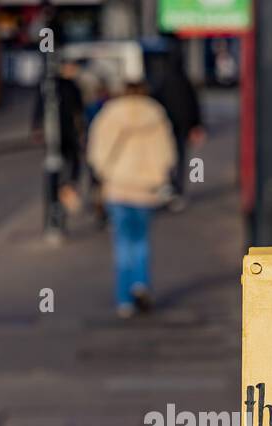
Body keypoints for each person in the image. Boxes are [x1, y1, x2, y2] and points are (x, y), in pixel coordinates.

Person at [87, 79, 176, 319]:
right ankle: (141, 283)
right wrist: (159, 177)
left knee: (122, 242)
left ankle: (124, 300)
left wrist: (103, 172)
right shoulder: (156, 115)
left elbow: (97, 152)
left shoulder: (109, 114)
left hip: (117, 187)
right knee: (141, 240)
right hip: (145, 189)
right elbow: (166, 154)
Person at [151, 38, 205, 212]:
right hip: (182, 126)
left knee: (166, 159)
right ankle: (178, 189)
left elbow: (156, 104)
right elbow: (194, 105)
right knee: (181, 159)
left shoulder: (162, 83)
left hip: (166, 128)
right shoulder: (185, 82)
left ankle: (167, 188)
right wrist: (196, 125)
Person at [32, 60, 86, 215]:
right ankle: (65, 190)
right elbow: (78, 112)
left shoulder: (50, 85)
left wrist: (37, 127)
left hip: (56, 135)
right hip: (63, 133)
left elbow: (39, 107)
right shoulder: (67, 86)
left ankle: (62, 192)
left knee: (62, 163)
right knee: (70, 162)